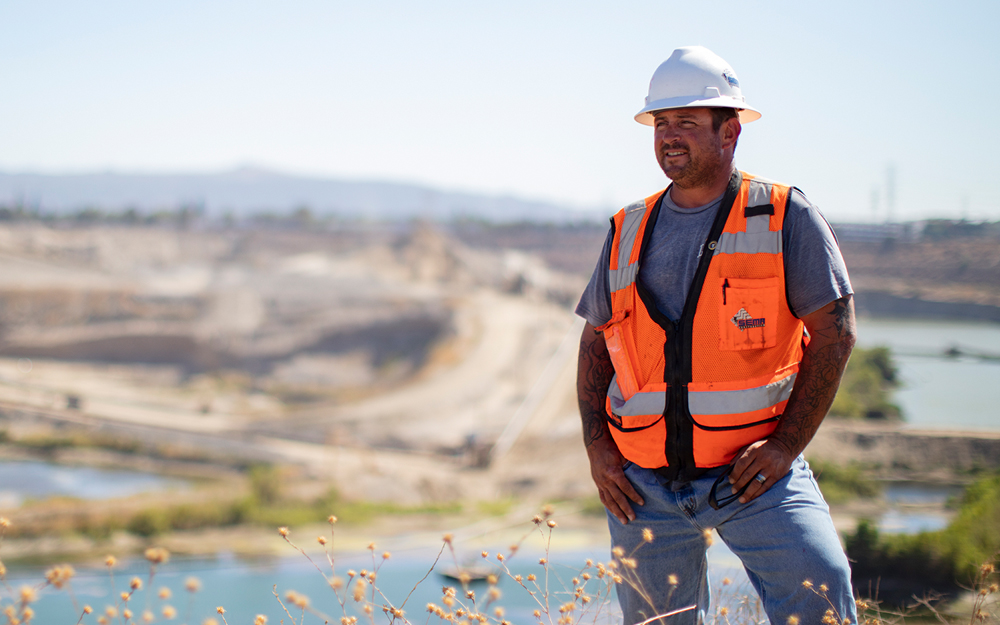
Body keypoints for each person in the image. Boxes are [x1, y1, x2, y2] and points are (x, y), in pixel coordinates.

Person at [575, 46, 858, 625]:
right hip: (644, 486)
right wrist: (598, 447)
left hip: (755, 477)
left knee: (821, 593)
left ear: (730, 132)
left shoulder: (782, 215)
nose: (669, 136)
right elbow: (595, 341)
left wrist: (785, 447)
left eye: (686, 121)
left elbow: (835, 333)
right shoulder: (627, 228)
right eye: (661, 122)